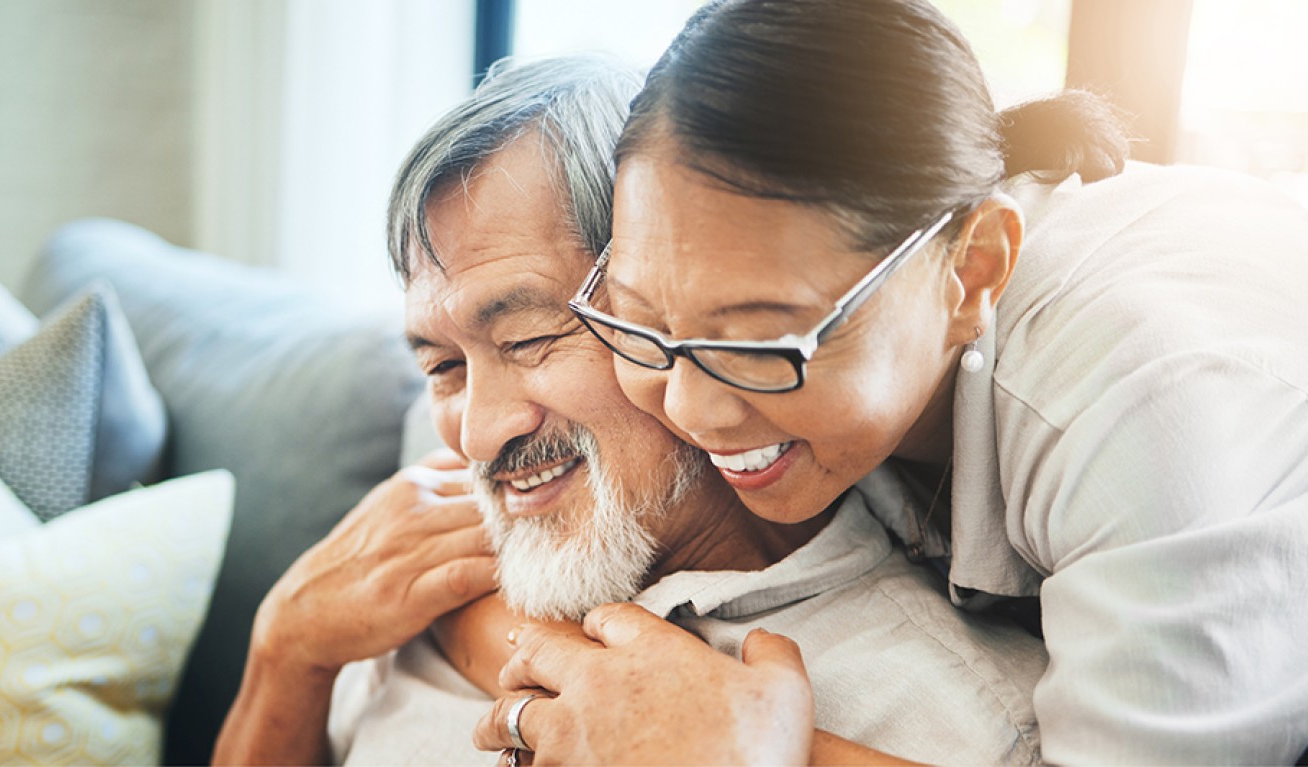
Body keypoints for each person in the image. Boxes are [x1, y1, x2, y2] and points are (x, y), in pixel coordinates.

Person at [469, 1, 1308, 764]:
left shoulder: (1145, 416)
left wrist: (736, 749)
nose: (690, 408)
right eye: (641, 321)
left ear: (974, 273)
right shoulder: (880, 312)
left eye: (763, 341)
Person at [218, 55, 1050, 766]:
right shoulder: (417, 569)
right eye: (443, 366)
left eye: (530, 338)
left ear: (665, 307)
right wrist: (286, 650)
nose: (478, 431)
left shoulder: (955, 718)